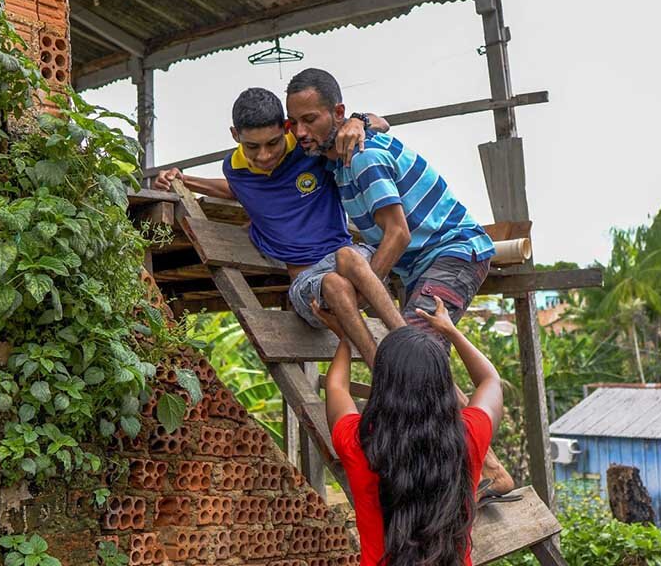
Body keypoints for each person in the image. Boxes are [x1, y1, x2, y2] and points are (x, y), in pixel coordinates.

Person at [286, 68, 516, 497]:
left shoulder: (363, 159)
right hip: (423, 268)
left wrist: (359, 292)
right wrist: (361, 118)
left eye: (310, 119)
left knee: (410, 361)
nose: (300, 131)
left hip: (452, 253)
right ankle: (488, 468)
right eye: (292, 122)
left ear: (335, 113)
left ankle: (484, 470)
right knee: (415, 361)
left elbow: (398, 234)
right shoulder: (338, 155)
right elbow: (378, 120)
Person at [153, 88, 405, 366]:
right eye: (252, 146)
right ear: (235, 135)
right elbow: (237, 189)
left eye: (272, 143)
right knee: (333, 283)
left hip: (351, 261)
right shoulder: (236, 171)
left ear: (286, 128)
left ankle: (409, 344)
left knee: (348, 257)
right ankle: (383, 374)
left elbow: (381, 123)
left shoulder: (310, 147)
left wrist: (357, 121)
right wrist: (183, 179)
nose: (263, 156)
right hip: (308, 282)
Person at [315, 295, 503, 566]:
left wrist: (344, 337)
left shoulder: (358, 442)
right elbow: (490, 380)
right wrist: (451, 331)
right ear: (442, 384)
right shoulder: (467, 436)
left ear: (383, 382)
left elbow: (336, 388)